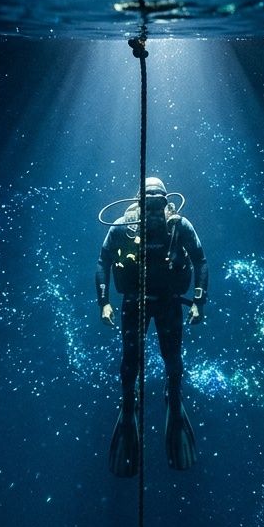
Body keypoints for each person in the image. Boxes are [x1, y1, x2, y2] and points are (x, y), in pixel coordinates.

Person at [96, 177, 208, 476]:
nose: (155, 212)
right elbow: (103, 261)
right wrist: (103, 302)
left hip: (169, 301)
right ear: (139, 205)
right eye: (150, 205)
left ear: (167, 203)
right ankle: (128, 400)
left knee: (173, 359)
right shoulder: (123, 226)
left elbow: (201, 261)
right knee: (130, 360)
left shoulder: (179, 226)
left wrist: (199, 301)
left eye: (160, 204)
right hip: (135, 302)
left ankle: (173, 394)